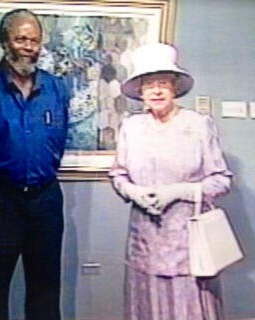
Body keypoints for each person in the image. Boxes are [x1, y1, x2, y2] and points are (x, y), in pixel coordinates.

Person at [0, 9, 70, 320]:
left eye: (34, 40)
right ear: (5, 41)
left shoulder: (57, 88)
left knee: (46, 290)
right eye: (21, 38)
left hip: (45, 199)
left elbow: (57, 143)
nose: (28, 46)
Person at [109, 42, 232, 319]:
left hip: (188, 240)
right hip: (145, 238)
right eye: (149, 84)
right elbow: (118, 174)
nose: (156, 90)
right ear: (140, 91)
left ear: (174, 87)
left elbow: (221, 181)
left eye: (163, 83)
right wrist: (133, 192)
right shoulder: (132, 127)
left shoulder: (199, 125)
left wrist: (178, 191)